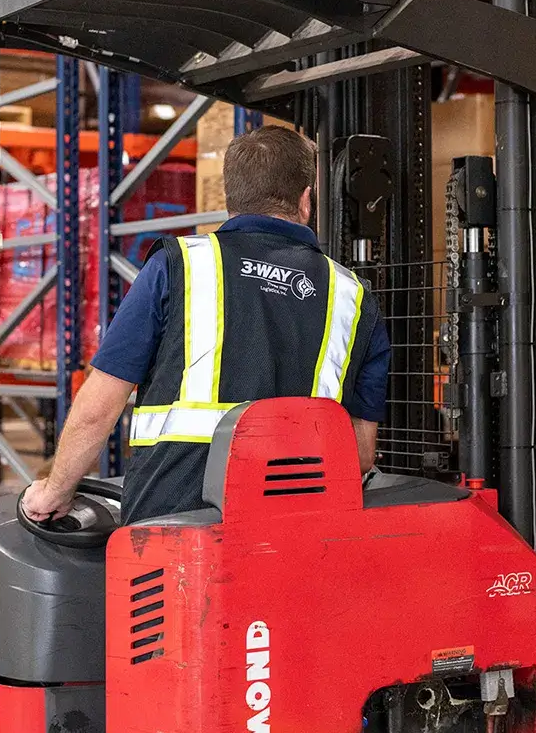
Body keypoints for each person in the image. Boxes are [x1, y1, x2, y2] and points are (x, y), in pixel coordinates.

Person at [22, 124, 390, 525]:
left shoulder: (178, 266)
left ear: (230, 198)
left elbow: (101, 406)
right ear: (305, 201)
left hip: (173, 527)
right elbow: (360, 454)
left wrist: (54, 491)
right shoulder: (353, 297)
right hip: (301, 529)